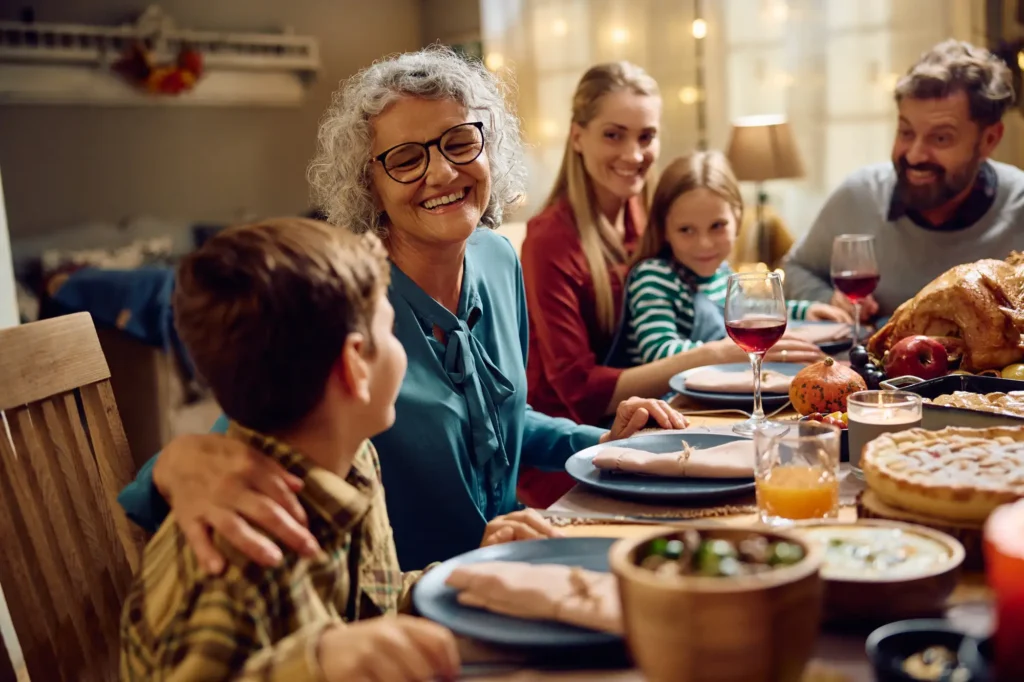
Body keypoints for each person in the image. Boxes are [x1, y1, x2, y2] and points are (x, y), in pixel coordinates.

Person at [117, 47, 686, 573]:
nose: (442, 173)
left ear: (490, 148)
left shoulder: (496, 259)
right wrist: (177, 465)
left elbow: (498, 422)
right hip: (404, 604)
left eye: (460, 142)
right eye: (406, 159)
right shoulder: (347, 303)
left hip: (515, 560)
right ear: (370, 183)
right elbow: (237, 442)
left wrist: (604, 445)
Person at [122, 219, 464, 681]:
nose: (401, 348)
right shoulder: (236, 555)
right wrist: (318, 663)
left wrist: (463, 583)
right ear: (354, 364)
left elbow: (373, 605)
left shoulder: (355, 462)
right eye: (393, 330)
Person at [517, 63, 819, 507]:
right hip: (576, 452)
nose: (634, 154)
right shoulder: (550, 241)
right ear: (577, 136)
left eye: (646, 136)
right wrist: (716, 352)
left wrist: (801, 312)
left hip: (654, 418)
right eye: (614, 134)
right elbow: (578, 390)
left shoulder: (646, 215)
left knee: (779, 465)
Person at [783, 39, 1024, 321]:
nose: (915, 154)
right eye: (906, 132)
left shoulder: (1018, 204)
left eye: (941, 137)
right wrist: (830, 300)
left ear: (989, 140)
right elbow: (796, 269)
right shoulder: (859, 195)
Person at [622, 151, 850, 367]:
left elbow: (751, 311)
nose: (704, 243)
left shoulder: (721, 272)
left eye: (717, 226)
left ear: (738, 219)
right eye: (686, 230)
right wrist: (733, 350)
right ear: (664, 229)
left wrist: (804, 310)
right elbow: (659, 353)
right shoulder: (653, 277)